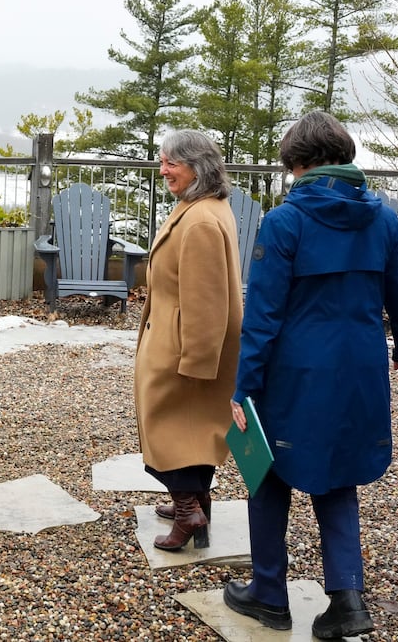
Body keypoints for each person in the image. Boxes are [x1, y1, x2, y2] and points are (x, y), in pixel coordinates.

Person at [222, 111, 398, 638]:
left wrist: (243, 389)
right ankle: (347, 599)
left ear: (301, 163)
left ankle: (269, 594)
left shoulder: (285, 220)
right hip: (360, 367)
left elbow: (263, 315)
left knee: (266, 472)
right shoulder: (382, 219)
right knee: (337, 473)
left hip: (296, 372)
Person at [134, 130, 243, 552]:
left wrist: (197, 363)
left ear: (197, 166)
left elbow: (206, 300)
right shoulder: (204, 207)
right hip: (177, 338)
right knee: (193, 432)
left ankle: (187, 512)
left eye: (170, 163)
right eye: (162, 162)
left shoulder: (199, 221)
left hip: (184, 346)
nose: (163, 171)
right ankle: (197, 502)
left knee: (168, 431)